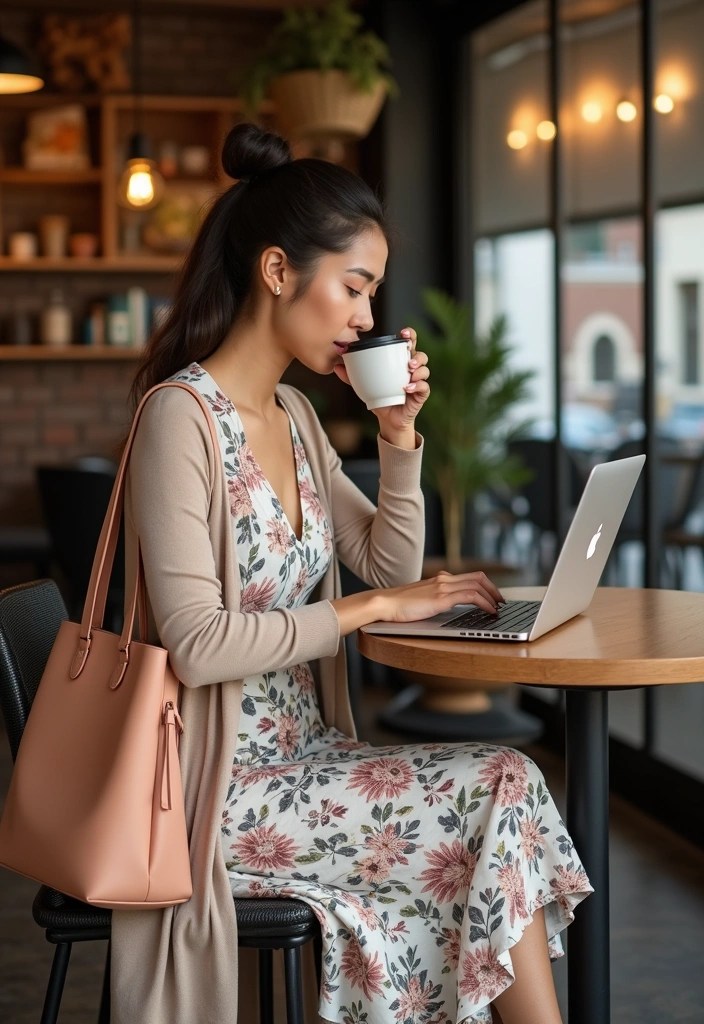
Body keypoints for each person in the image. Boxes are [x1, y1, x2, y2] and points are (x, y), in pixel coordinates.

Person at [113, 122, 591, 1024]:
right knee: (504, 783)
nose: (368, 317)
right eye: (355, 286)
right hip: (220, 789)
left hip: (307, 761)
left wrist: (398, 436)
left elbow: (384, 559)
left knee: (499, 794)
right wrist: (377, 608)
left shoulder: (294, 414)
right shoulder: (180, 419)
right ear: (278, 271)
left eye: (369, 291)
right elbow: (200, 644)